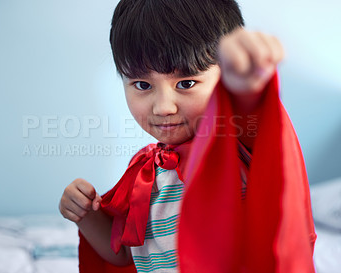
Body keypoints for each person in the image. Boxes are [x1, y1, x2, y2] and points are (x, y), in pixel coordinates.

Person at [59, 0, 316, 272]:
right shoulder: (145, 172)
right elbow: (123, 254)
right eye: (142, 85)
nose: (163, 107)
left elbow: (260, 121)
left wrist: (245, 83)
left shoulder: (235, 145)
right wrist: (87, 215)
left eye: (187, 83)